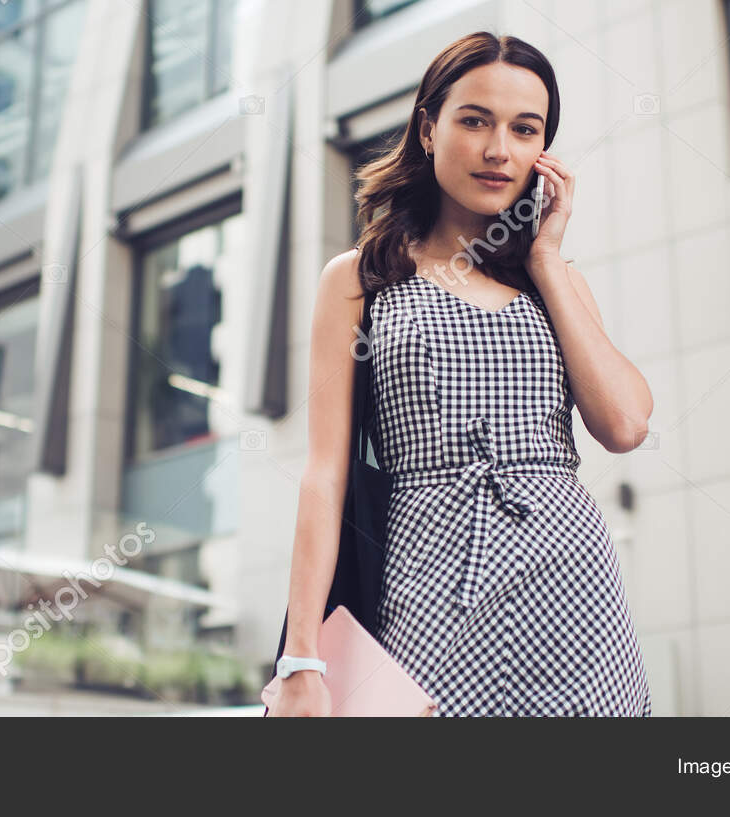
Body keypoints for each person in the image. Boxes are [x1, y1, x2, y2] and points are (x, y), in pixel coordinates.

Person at [269, 32, 655, 716]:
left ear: (544, 152)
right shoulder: (360, 279)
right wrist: (302, 655)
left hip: (571, 586)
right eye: (475, 120)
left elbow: (624, 425)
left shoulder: (558, 284)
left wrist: (546, 262)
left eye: (524, 129)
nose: (498, 149)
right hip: (427, 577)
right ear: (428, 127)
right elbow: (324, 474)